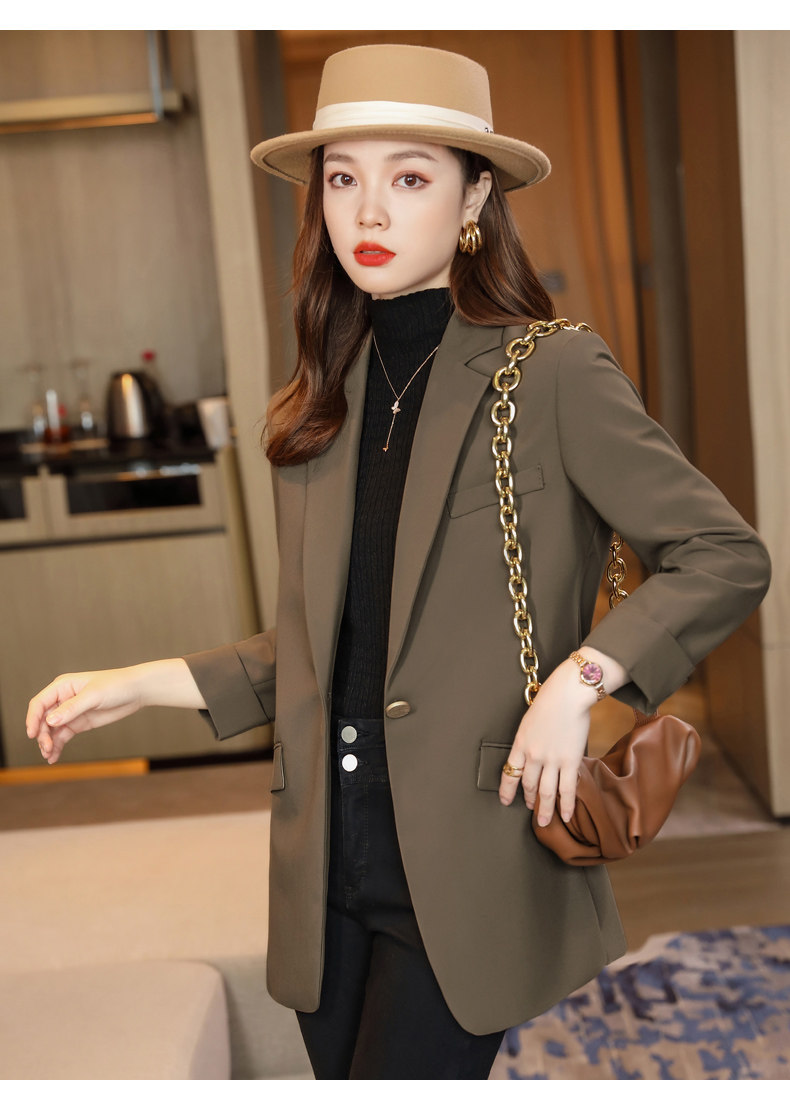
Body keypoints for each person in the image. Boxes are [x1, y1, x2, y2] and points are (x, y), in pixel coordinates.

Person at [26, 44, 771, 1080]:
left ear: (475, 197)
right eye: (343, 178)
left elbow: (722, 554)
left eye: (409, 177)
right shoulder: (320, 399)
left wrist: (582, 680)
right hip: (324, 861)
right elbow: (332, 649)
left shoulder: (551, 370)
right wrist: (136, 684)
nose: (367, 211)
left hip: (469, 850)